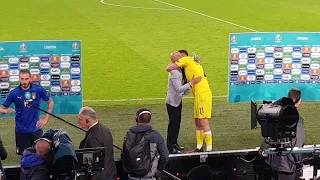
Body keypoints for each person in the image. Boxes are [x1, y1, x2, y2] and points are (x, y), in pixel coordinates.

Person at [166, 50, 213, 152]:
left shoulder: (187, 60)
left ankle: (209, 150)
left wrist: (192, 82)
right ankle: (199, 148)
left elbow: (168, 68)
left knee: (203, 120)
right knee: (197, 121)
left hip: (202, 95)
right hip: (195, 95)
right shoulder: (188, 64)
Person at [0, 69, 54, 155]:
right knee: (24, 156)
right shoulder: (14, 93)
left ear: (30, 79)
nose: (24, 81)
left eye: (26, 79)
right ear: (19, 79)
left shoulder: (38, 90)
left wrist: (45, 119)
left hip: (36, 130)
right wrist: (6, 110)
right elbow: (1, 109)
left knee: (41, 155)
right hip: (21, 131)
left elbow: (50, 102)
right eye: (22, 79)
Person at [260, 88, 305, 180]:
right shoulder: (297, 119)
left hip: (272, 160)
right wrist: (299, 162)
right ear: (299, 101)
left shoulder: (276, 113)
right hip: (287, 165)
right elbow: (298, 143)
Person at [122, 108, 169, 180]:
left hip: (131, 176)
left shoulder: (129, 135)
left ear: (137, 119)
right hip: (149, 176)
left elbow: (123, 155)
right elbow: (165, 156)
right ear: (150, 120)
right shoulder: (155, 135)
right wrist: (158, 169)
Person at [78, 107, 117, 180]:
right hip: (110, 174)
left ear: (87, 120)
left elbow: (93, 163)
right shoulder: (105, 129)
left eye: (80, 119)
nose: (78, 122)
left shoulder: (93, 137)